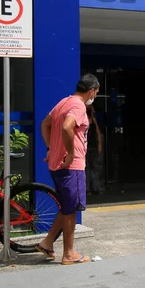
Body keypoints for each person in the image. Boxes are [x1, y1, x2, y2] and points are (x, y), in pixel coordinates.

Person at [36, 73, 100, 264]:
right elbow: (66, 127)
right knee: (71, 208)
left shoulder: (64, 101)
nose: (94, 96)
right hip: (71, 165)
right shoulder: (78, 106)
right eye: (96, 93)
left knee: (66, 206)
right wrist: (71, 153)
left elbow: (45, 124)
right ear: (91, 91)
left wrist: (51, 148)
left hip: (56, 164)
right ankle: (69, 254)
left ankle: (47, 242)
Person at [86, 105, 103, 194]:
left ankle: (96, 188)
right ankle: (88, 188)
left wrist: (99, 144)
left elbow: (98, 133)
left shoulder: (93, 121)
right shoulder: (84, 120)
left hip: (93, 146)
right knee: (87, 168)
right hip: (86, 147)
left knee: (94, 168)